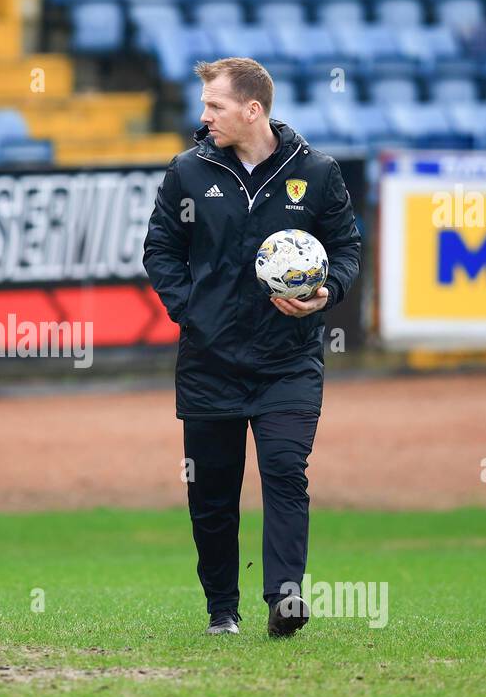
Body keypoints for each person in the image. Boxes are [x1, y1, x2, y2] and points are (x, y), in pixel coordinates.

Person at [143, 57, 362, 638]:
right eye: (205, 104)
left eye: (214, 105)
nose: (204, 115)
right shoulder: (187, 173)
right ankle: (222, 610)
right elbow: (160, 249)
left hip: (287, 360)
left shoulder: (317, 173)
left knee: (286, 472)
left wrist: (327, 292)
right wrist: (192, 311)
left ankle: (284, 598)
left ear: (252, 110)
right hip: (209, 362)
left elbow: (345, 249)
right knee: (212, 492)